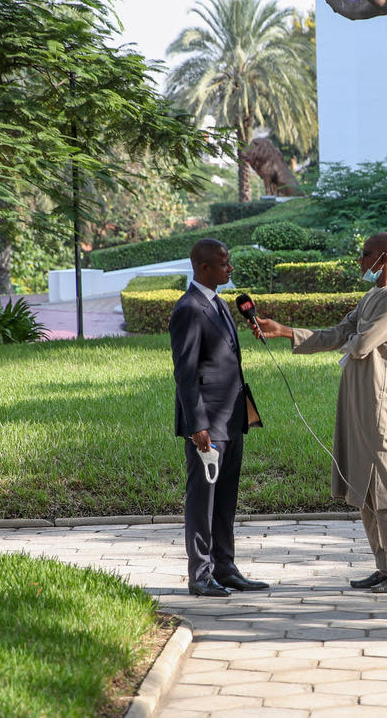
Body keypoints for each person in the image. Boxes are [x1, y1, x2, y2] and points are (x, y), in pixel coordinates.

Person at [250, 233, 387, 594]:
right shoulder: (373, 294)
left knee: (385, 485)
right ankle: (385, 567)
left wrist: (352, 333)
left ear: (386, 256)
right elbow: (342, 332)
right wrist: (284, 331)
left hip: (381, 403)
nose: (361, 261)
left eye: (366, 254)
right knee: (363, 484)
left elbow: (361, 343)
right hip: (356, 398)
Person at [169, 238, 268, 597]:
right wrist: (196, 424)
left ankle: (225, 568)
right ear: (203, 267)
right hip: (207, 423)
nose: (231, 268)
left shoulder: (221, 304)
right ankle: (201, 574)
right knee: (203, 498)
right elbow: (186, 372)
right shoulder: (189, 309)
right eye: (224, 263)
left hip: (231, 417)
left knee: (226, 497)